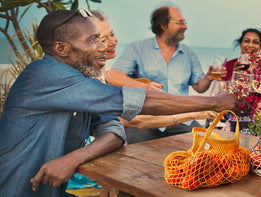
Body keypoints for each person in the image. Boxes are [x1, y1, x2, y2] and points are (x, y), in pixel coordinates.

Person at [0, 9, 237, 197]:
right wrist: (214, 103)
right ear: (61, 48)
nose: (103, 47)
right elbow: (136, 101)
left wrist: (74, 157)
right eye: (93, 40)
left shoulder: (81, 85)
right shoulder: (45, 74)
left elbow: (114, 130)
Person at [105, 4, 219, 139]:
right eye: (180, 22)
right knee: (136, 156)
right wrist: (144, 87)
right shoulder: (138, 48)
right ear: (163, 25)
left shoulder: (189, 53)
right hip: (145, 120)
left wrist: (208, 77)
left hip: (182, 119)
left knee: (207, 144)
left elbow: (199, 87)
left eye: (185, 23)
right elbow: (113, 75)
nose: (185, 27)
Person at [207, 28, 261, 134]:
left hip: (253, 121)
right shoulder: (228, 65)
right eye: (247, 41)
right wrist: (232, 75)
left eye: (255, 42)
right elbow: (217, 94)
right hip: (228, 118)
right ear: (240, 44)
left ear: (260, 48)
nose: (250, 45)